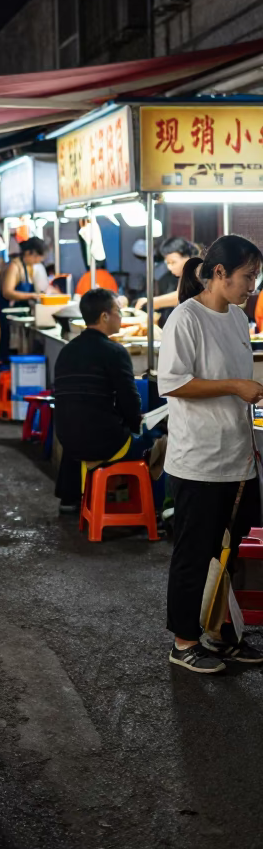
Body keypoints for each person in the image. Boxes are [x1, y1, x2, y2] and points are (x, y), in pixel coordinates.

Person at [159, 234, 263, 675]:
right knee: (194, 553)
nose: (252, 286)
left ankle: (220, 633)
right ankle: (184, 641)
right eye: (246, 277)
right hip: (198, 461)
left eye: (255, 278)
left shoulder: (239, 319)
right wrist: (234, 387)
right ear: (219, 274)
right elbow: (174, 383)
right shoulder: (186, 319)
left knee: (228, 552)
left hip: (237, 458)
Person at [53, 288, 162, 512]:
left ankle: (72, 499)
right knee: (162, 440)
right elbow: (130, 402)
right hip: (105, 444)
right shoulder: (114, 351)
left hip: (68, 441)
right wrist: (136, 429)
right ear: (104, 316)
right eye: (118, 311)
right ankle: (154, 511)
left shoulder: (67, 351)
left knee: (83, 422)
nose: (121, 316)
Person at [0, 237, 48, 359]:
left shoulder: (28, 267)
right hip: (5, 316)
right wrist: (32, 295)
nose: (38, 261)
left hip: (16, 315)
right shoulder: (14, 266)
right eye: (36, 257)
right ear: (29, 253)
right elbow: (7, 292)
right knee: (6, 353)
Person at [135, 237, 200, 319]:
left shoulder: (197, 270)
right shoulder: (184, 275)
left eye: (173, 262)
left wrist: (152, 302)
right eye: (167, 263)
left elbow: (182, 296)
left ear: (188, 257)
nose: (169, 267)